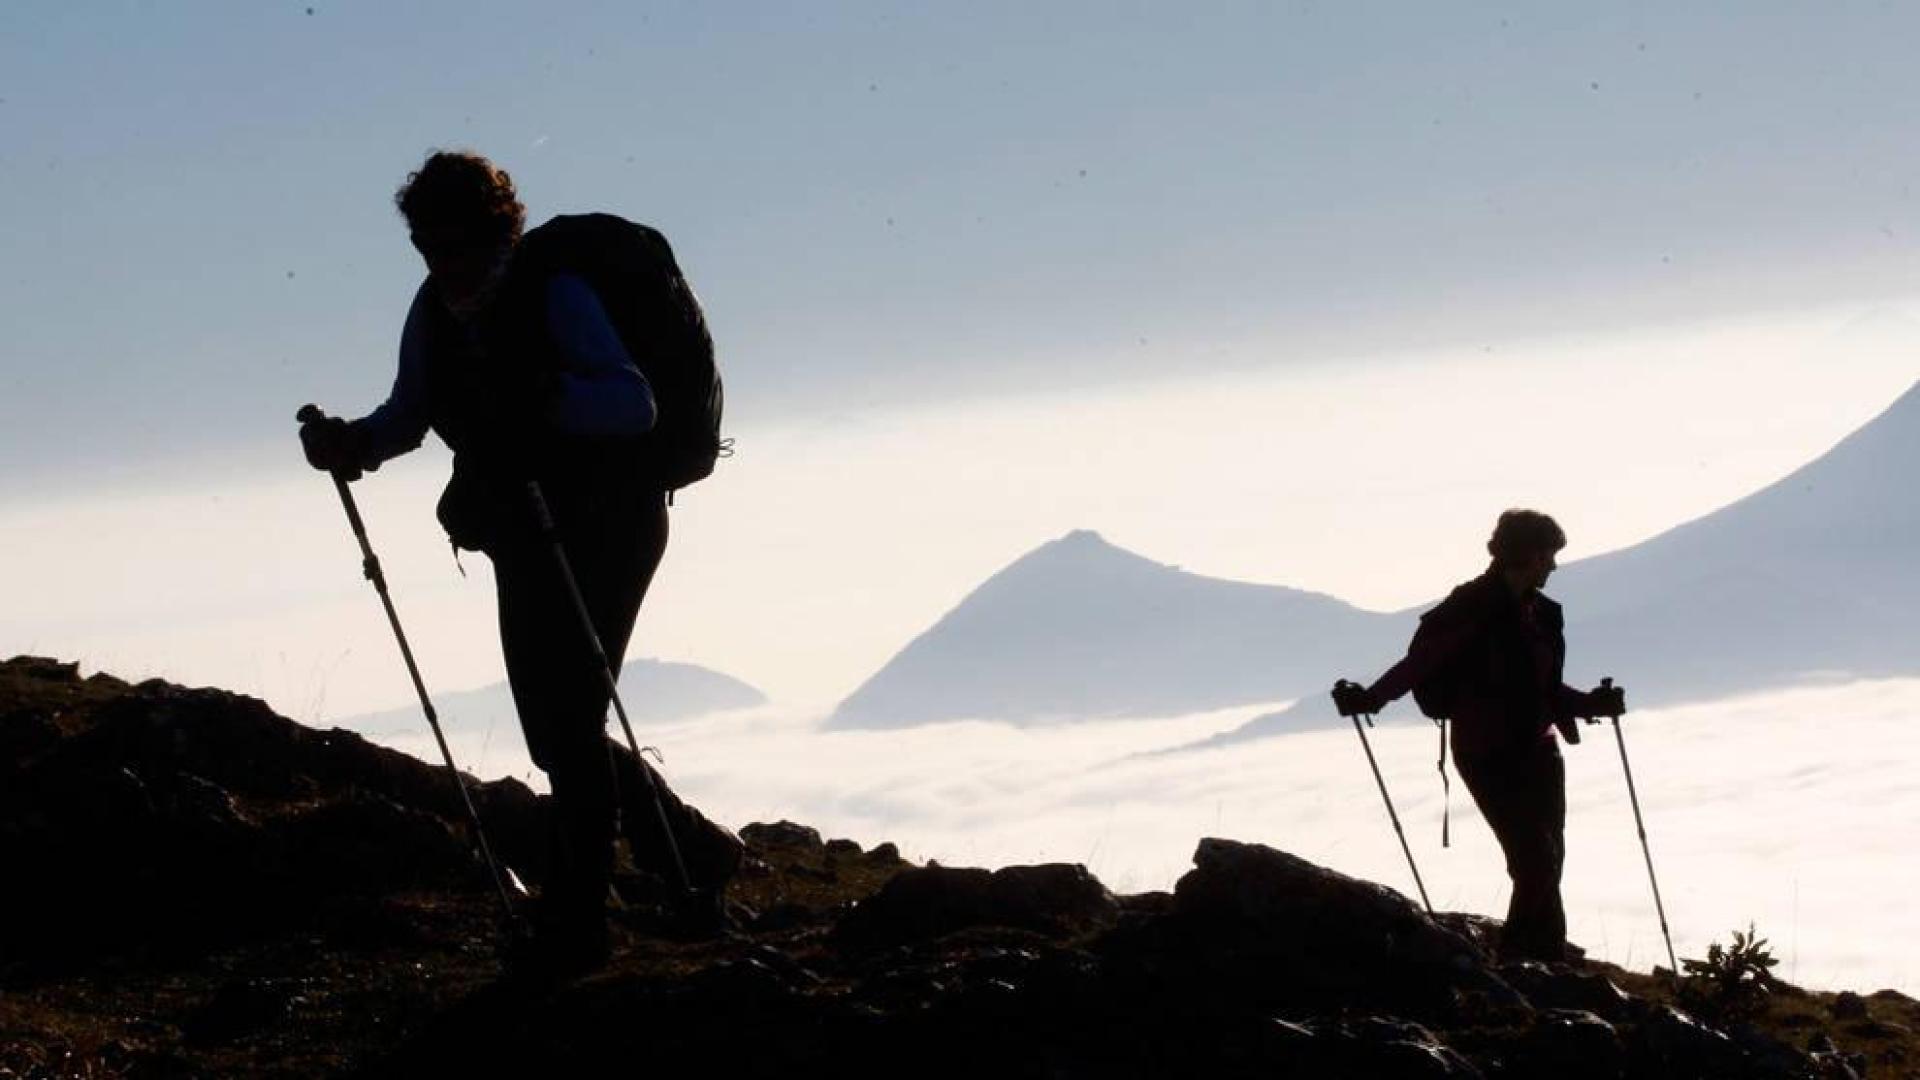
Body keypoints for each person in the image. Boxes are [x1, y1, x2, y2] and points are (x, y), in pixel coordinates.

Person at [299, 150, 738, 977]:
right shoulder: (436, 310)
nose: (442, 261)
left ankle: (579, 921)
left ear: (495, 231)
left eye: (454, 241)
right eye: (428, 244)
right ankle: (688, 856)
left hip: (613, 522)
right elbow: (410, 412)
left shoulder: (556, 291)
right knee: (554, 724)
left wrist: (541, 401)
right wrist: (350, 444)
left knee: (567, 720)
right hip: (524, 528)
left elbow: (632, 402)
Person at [1332, 509, 1625, 963]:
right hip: (1488, 752)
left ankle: (1541, 958)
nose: (1553, 566)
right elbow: (1421, 665)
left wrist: (1590, 704)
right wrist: (1370, 698)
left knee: (1547, 860)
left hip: (1540, 749)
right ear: (1527, 555)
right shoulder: (1472, 609)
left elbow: (1542, 688)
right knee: (1535, 860)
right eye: (1549, 555)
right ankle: (1521, 960)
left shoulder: (1541, 613)